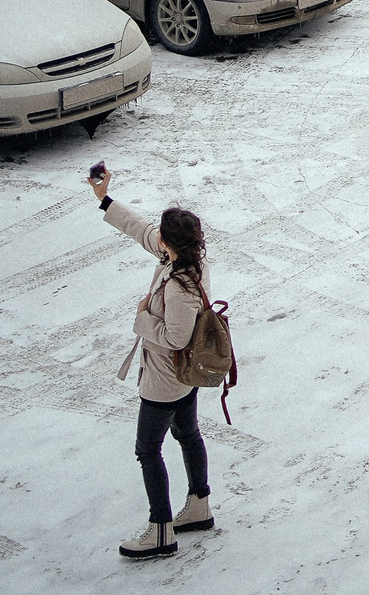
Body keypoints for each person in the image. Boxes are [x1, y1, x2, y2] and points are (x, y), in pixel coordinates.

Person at [90, 169, 215, 559]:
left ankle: (161, 529)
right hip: (183, 381)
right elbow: (141, 229)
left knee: (148, 449)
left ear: (170, 243)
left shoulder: (180, 286)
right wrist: (104, 198)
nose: (155, 236)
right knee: (189, 434)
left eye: (162, 234)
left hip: (165, 382)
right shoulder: (184, 259)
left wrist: (143, 318)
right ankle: (199, 506)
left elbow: (176, 338)